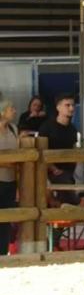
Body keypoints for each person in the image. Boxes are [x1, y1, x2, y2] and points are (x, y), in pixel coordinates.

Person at [38, 94, 80, 195]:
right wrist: (53, 169)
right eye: (67, 105)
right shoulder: (46, 127)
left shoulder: (72, 129)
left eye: (73, 105)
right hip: (51, 171)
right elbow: (40, 151)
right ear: (58, 107)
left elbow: (74, 149)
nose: (71, 108)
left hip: (71, 170)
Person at [0, 100, 19, 255]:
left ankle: (3, 251)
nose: (14, 111)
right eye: (11, 108)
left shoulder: (14, 128)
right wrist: (7, 164)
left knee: (7, 219)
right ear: (2, 112)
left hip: (11, 181)